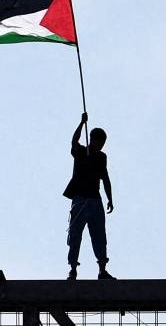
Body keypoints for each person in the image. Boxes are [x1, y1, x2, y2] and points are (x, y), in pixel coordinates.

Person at [63, 111, 115, 280]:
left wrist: (110, 198)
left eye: (103, 143)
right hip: (80, 199)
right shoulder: (80, 152)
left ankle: (102, 269)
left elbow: (105, 178)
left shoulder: (101, 157)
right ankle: (73, 269)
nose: (101, 146)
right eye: (99, 142)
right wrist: (82, 123)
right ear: (92, 139)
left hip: (95, 200)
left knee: (99, 235)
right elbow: (73, 141)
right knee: (75, 234)